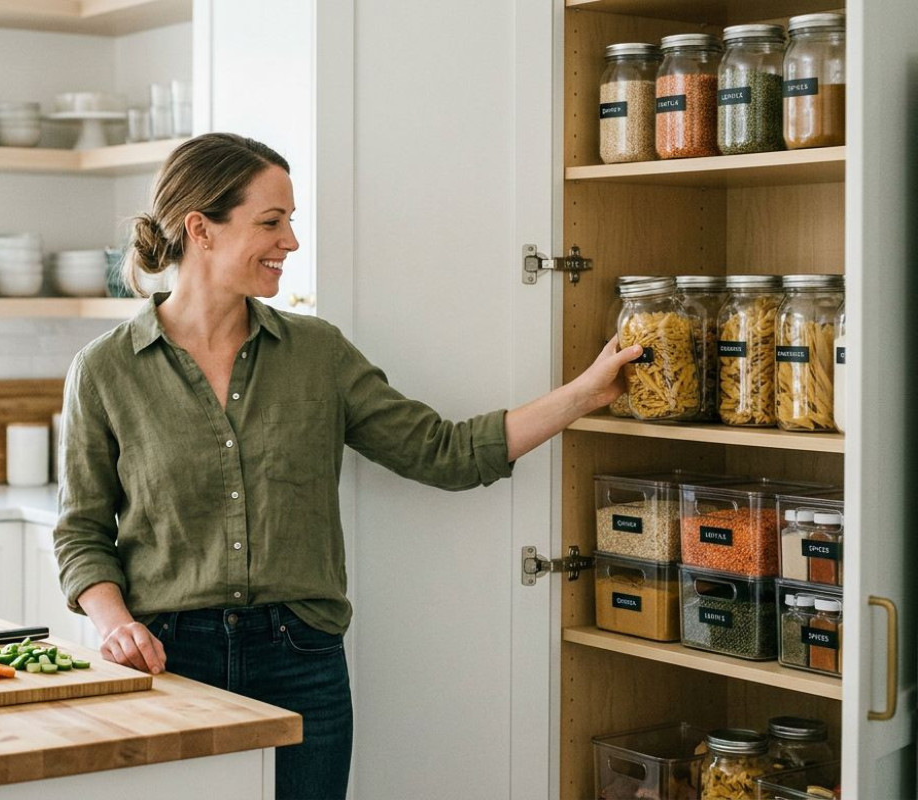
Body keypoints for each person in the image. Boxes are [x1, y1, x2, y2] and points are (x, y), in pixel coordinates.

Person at [53, 132, 639, 800]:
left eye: (291, 222)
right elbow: (82, 533)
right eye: (271, 223)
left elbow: (442, 452)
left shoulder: (317, 353)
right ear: (201, 230)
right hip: (170, 660)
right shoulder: (104, 370)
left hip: (300, 658)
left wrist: (588, 391)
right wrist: (115, 624)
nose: (291, 242)